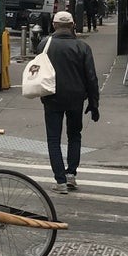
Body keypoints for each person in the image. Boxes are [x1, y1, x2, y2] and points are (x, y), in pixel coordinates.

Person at [36, 10, 99, 195]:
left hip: (52, 97)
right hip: (76, 98)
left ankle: (60, 181)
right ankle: (71, 174)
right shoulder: (83, 47)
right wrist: (94, 103)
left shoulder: (44, 45)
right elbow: (92, 78)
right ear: (72, 25)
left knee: (53, 139)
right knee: (74, 135)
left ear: (54, 25)